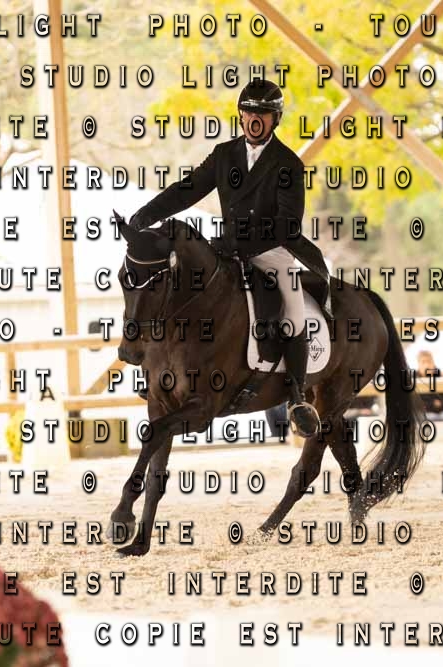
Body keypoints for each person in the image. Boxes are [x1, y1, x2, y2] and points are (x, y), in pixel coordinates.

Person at [129, 79, 331, 438]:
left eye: (262, 114)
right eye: (249, 113)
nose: (255, 119)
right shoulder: (224, 155)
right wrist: (146, 214)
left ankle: (298, 396)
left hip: (272, 251)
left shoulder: (288, 163)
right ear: (240, 115)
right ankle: (159, 372)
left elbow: (287, 224)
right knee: (177, 290)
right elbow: (188, 189)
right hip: (228, 250)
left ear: (275, 119)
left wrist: (244, 246)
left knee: (292, 309)